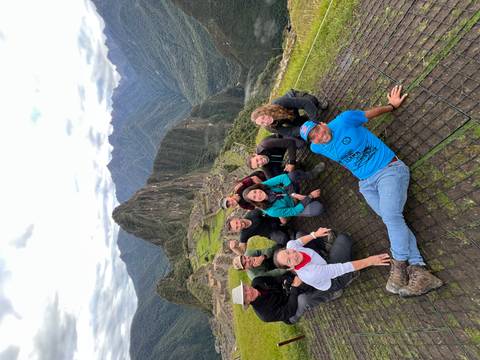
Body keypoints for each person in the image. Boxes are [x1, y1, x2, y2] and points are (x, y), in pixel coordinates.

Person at [299, 85, 443, 297]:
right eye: (313, 137)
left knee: (392, 216)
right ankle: (420, 270)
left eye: (318, 130)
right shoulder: (317, 148)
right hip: (366, 183)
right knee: (391, 219)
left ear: (322, 124)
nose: (319, 136)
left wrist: (391, 106)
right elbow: (317, 143)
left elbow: (369, 114)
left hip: (389, 169)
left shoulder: (345, 120)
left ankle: (400, 264)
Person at [273, 228, 390, 295]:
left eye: (288, 252)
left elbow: (298, 242)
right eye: (289, 260)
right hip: (333, 280)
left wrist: (315, 235)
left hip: (324, 263)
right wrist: (370, 261)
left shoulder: (291, 246)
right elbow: (342, 268)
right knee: (344, 239)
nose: (293, 255)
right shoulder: (310, 273)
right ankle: (348, 278)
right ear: (290, 268)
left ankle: (329, 250)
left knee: (343, 237)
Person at [231, 273, 341, 324]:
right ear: (247, 302)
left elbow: (277, 278)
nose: (248, 291)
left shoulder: (257, 281)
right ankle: (330, 294)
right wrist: (294, 288)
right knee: (303, 300)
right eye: (246, 296)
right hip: (290, 314)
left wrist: (288, 280)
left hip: (288, 290)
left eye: (245, 289)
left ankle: (328, 274)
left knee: (301, 277)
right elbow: (289, 310)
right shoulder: (264, 315)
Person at [242, 173, 324, 221]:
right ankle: (308, 204)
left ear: (256, 188)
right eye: (254, 197)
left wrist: (293, 194)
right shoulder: (271, 211)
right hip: (294, 207)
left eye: (255, 191)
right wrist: (310, 196)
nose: (258, 194)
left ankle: (312, 174)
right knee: (318, 208)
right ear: (255, 202)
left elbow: (283, 177)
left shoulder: (263, 185)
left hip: (290, 193)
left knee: (292, 175)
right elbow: (294, 210)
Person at [251, 89, 328, 138]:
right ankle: (306, 117)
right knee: (300, 124)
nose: (266, 121)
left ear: (265, 111)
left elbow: (305, 103)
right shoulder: (269, 127)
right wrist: (306, 130)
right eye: (262, 123)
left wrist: (315, 122)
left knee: (312, 101)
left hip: (293, 99)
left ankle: (318, 105)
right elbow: (290, 131)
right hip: (287, 116)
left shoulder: (278, 103)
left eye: (263, 118)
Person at [247, 135, 324, 179]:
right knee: (286, 176)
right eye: (258, 165)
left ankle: (313, 139)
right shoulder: (265, 167)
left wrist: (292, 163)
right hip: (280, 159)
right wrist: (286, 172)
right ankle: (311, 174)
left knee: (301, 144)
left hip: (284, 139)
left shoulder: (266, 144)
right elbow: (273, 180)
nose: (260, 162)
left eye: (257, 160)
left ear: (255, 154)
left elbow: (290, 143)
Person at [227, 209, 291, 254]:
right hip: (271, 233)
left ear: (237, 218)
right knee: (283, 238)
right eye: (237, 227)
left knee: (286, 217)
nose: (239, 225)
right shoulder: (244, 235)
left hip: (275, 220)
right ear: (237, 230)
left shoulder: (252, 213)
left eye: (237, 223)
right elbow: (243, 251)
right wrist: (234, 248)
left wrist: (280, 217)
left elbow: (266, 211)